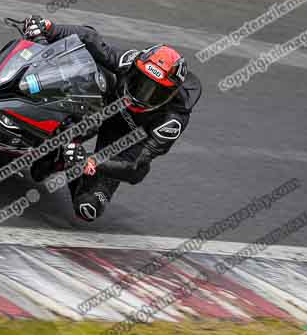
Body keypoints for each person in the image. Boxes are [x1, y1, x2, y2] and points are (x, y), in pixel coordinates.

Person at [23, 16, 202, 222]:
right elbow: (90, 39)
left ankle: (63, 160)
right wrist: (50, 28)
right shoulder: (132, 60)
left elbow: (136, 169)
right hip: (103, 107)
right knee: (92, 72)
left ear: (171, 95)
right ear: (136, 68)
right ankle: (44, 121)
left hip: (126, 142)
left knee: (87, 207)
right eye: (139, 82)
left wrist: (89, 160)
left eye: (154, 93)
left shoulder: (173, 120)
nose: (141, 95)